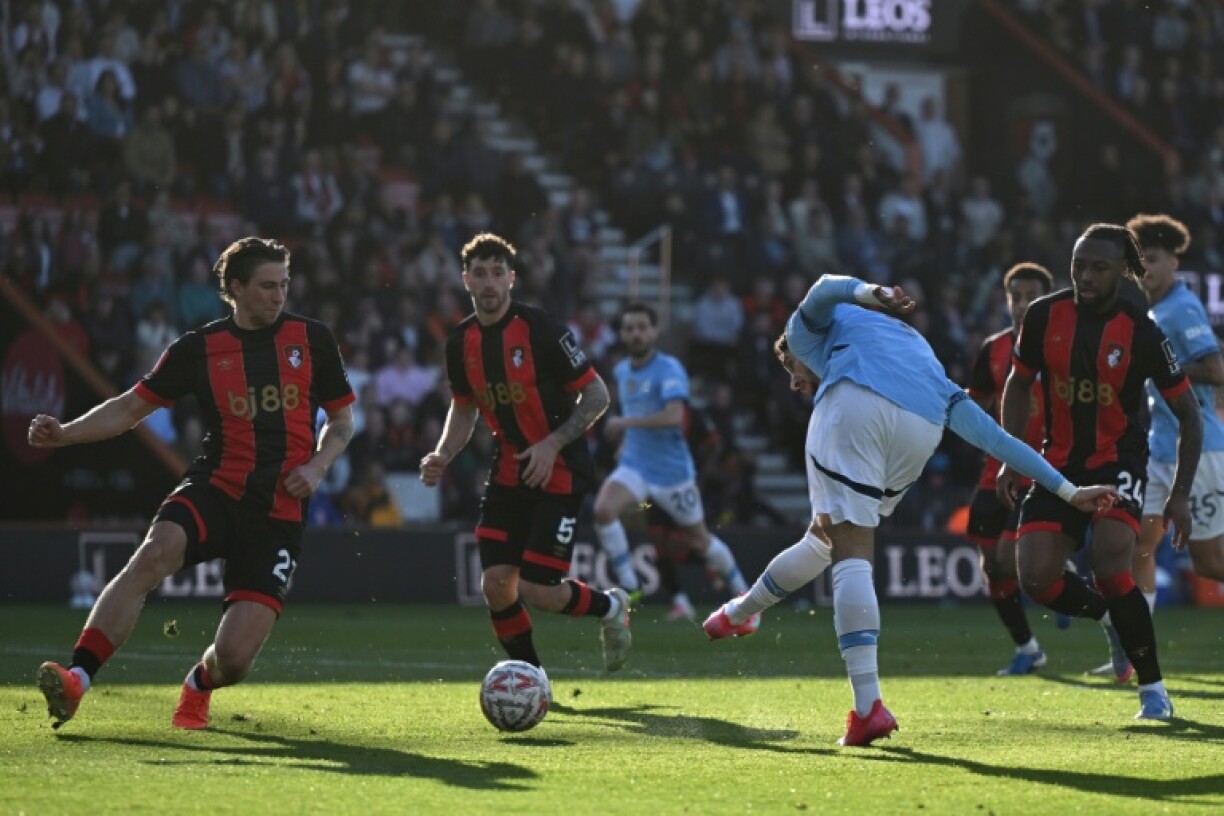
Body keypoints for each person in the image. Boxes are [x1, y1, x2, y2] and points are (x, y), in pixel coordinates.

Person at [703, 274, 1117, 747]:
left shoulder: (814, 330)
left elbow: (822, 288)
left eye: (791, 368)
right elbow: (997, 439)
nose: (796, 381)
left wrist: (867, 292)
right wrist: (1067, 490)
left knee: (849, 546)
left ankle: (867, 708)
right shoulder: (919, 350)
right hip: (919, 432)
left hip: (856, 406)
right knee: (825, 537)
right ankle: (742, 611)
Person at [29, 237, 356, 730]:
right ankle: (77, 678)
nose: (279, 295)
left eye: (284, 284)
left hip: (279, 510)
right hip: (216, 487)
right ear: (237, 289)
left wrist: (318, 465)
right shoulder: (199, 349)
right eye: (267, 286)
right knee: (152, 555)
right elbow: (130, 407)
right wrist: (67, 433)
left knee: (235, 660)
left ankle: (198, 684)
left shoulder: (313, 339)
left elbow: (343, 421)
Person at [998, 223, 1201, 721]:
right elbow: (1017, 384)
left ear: (1121, 272)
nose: (1085, 275)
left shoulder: (1141, 330)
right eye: (1078, 266)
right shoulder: (1045, 315)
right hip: (1057, 463)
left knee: (1112, 562)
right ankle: (1111, 618)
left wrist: (1179, 495)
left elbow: (1190, 416)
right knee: (1036, 578)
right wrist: (1010, 453)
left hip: (1118, 461)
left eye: (1098, 267)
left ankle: (1154, 692)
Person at [419, 233, 631, 676]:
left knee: (538, 589)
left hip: (561, 470)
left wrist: (552, 444)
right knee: (496, 585)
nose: (489, 282)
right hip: (509, 472)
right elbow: (464, 407)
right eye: (480, 274)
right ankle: (531, 678)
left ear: (512, 278)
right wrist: (442, 454)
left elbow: (597, 395)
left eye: (498, 272)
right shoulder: (460, 343)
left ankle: (611, 607)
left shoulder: (540, 330)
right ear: (466, 280)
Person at [1084, 213, 1224, 676]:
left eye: (1156, 259)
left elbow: (1216, 369)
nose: (1147, 268)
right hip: (1160, 449)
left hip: (1198, 448)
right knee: (1137, 546)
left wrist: (1161, 368)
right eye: (1140, 259)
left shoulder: (1182, 308)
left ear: (1175, 262)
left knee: (1208, 562)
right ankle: (1131, 654)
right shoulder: (1150, 312)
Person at [593, 302, 749, 607]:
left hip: (672, 475)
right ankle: (628, 584)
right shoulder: (623, 371)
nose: (636, 334)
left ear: (654, 331)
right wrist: (629, 438)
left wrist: (626, 423)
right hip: (635, 466)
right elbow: (639, 412)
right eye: (629, 328)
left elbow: (673, 416)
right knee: (603, 510)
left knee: (699, 540)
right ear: (622, 334)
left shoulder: (669, 368)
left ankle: (743, 593)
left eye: (641, 327)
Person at [964, 263, 1059, 675]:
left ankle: (1061, 572)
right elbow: (978, 398)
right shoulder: (994, 348)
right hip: (994, 470)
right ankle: (1028, 648)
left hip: (1039, 470)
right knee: (991, 566)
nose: (1021, 305)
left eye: (1030, 296)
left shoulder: (1060, 347)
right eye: (1014, 297)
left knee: (1008, 558)